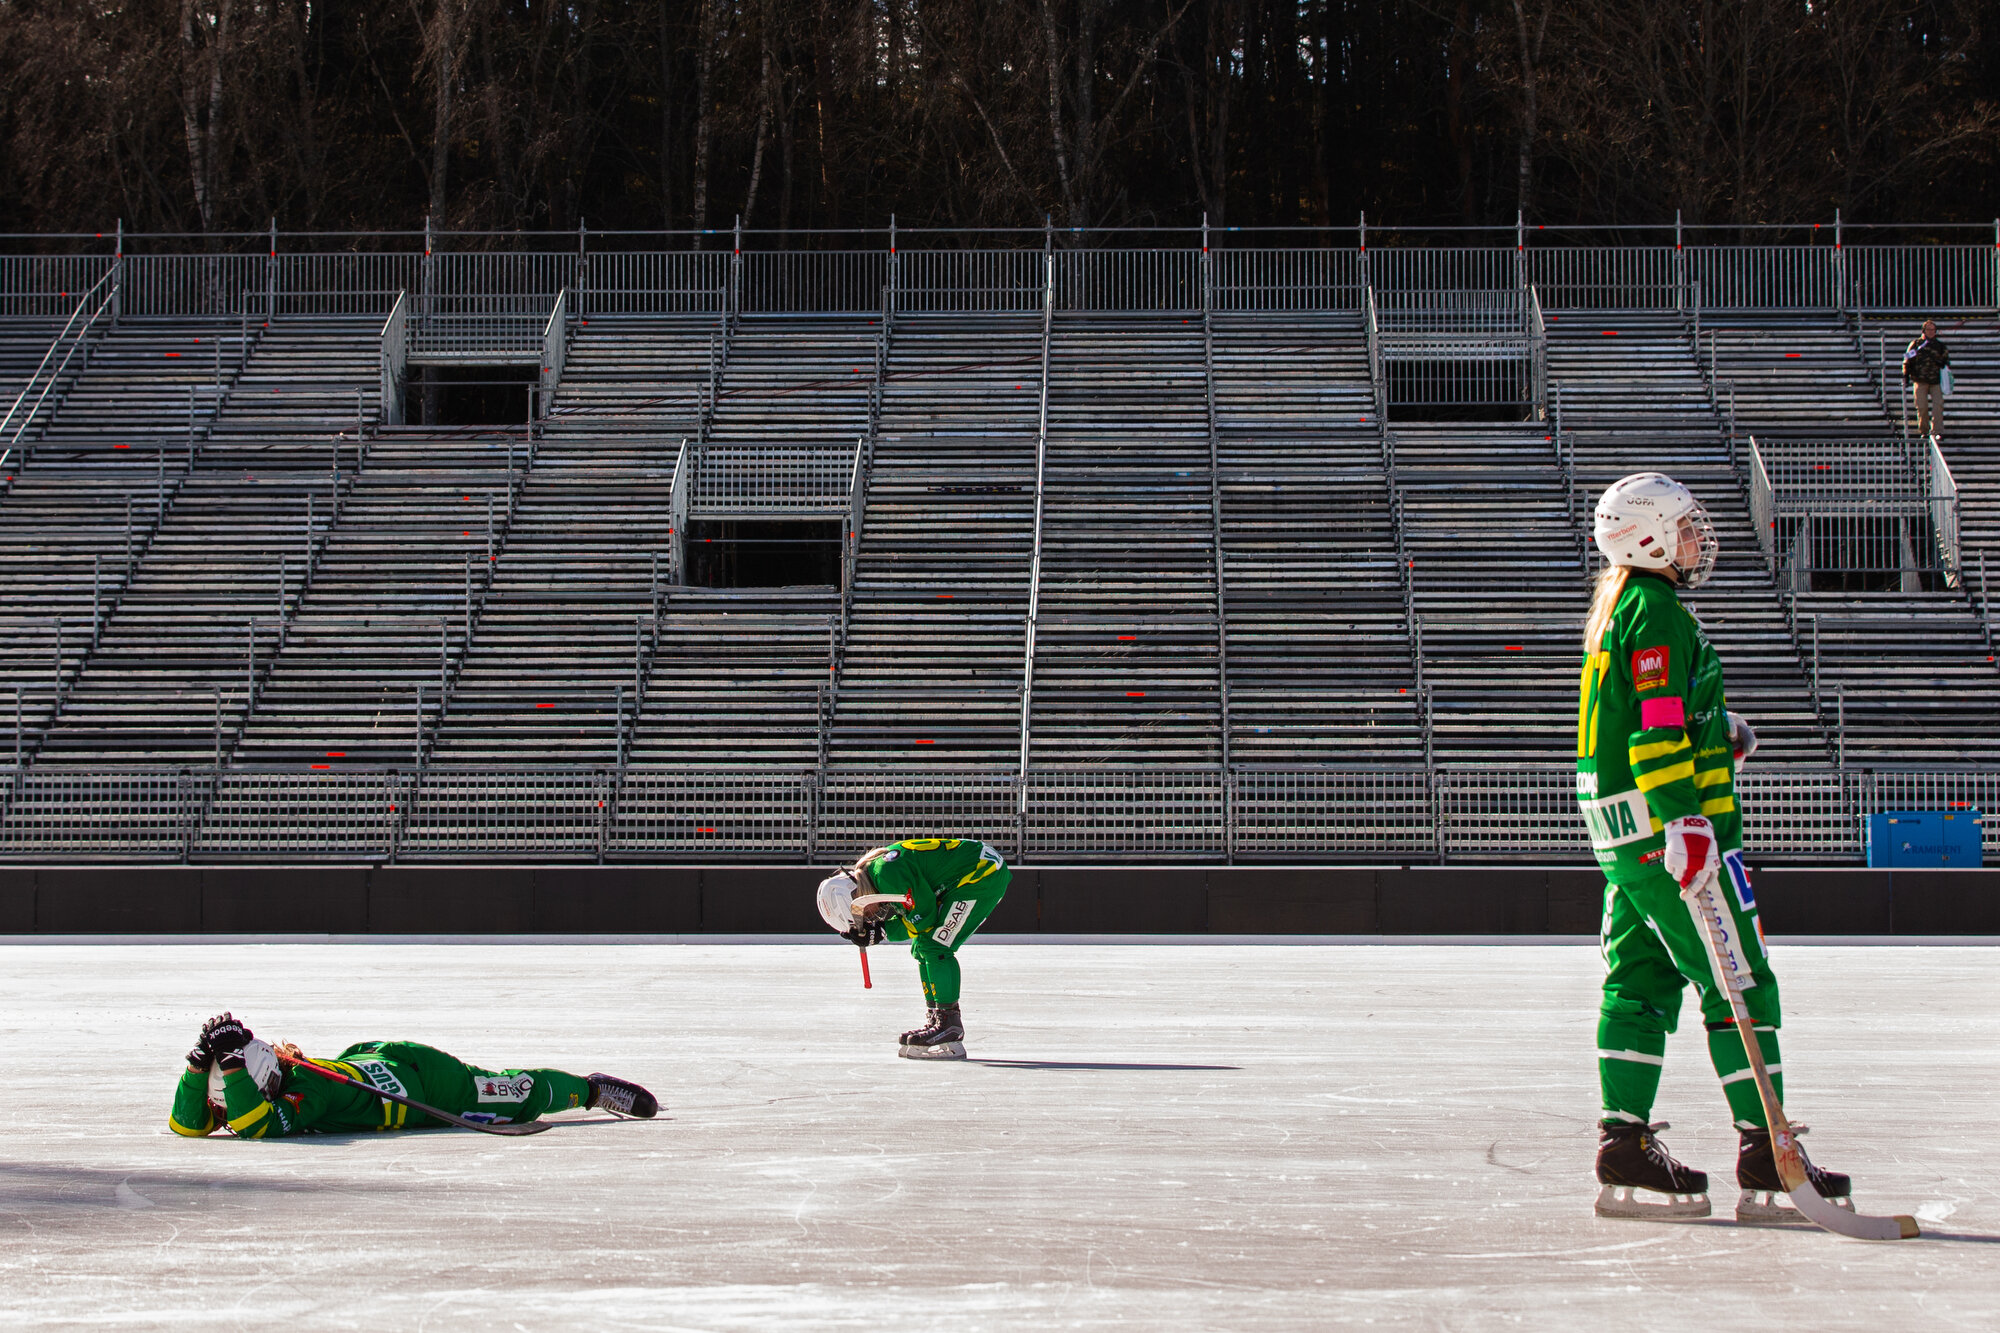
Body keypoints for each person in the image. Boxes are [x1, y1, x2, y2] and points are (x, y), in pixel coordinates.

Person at [1579, 473, 1853, 1224]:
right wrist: (1686, 824)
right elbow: (1655, 731)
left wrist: (1719, 730)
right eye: (1688, 527)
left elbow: (1651, 713)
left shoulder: (1623, 609)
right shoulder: (1657, 609)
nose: (1700, 538)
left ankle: (1623, 1141)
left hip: (1620, 831)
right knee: (1740, 976)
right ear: (1651, 537)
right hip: (1664, 829)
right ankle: (1767, 1147)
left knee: (1639, 978)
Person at [170, 1012, 657, 1138]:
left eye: (228, 1098)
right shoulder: (259, 1084)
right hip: (378, 1064)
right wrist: (199, 1064)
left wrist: (230, 1065)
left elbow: (260, 1126)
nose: (224, 1115)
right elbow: (185, 1126)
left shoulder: (305, 1090)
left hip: (428, 1083)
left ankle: (591, 1090)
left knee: (516, 1093)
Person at [816, 837, 1010, 1059]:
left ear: (855, 897)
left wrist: (883, 932)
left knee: (935, 944)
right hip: (974, 869)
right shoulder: (878, 872)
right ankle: (938, 1018)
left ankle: (949, 1024)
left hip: (981, 874)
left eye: (863, 915)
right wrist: (882, 931)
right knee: (921, 948)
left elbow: (923, 917)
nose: (871, 917)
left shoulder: (887, 875)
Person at [1902, 319, 1951, 438]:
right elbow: (1907, 359)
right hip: (1920, 380)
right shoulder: (1916, 344)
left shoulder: (1939, 345)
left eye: (1933, 330)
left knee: (1938, 406)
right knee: (1922, 407)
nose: (1931, 332)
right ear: (1923, 331)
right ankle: (1924, 431)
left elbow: (1946, 360)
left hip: (1935, 380)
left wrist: (1942, 362)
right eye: (1928, 329)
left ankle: (1937, 431)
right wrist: (1905, 374)